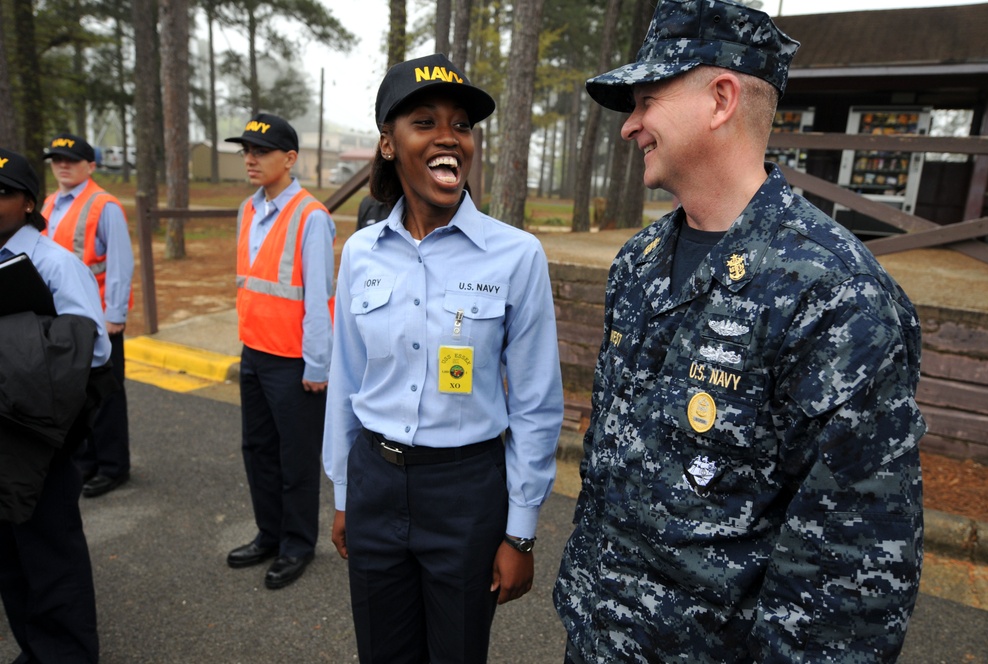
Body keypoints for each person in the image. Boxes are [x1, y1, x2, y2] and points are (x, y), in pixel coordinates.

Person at [552, 1, 926, 662]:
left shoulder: (834, 293)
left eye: (646, 101)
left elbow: (847, 581)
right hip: (596, 639)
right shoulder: (638, 263)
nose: (629, 126)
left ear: (721, 99)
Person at [323, 53, 564, 663]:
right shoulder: (361, 253)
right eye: (425, 122)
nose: (449, 137)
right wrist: (345, 492)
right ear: (388, 143)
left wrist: (520, 531)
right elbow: (347, 380)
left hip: (465, 494)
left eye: (462, 124)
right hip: (375, 482)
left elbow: (536, 403)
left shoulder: (517, 256)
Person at [0, 147, 114, 663]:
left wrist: (19, 350)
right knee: (9, 555)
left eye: (3, 193)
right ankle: (34, 647)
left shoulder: (54, 263)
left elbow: (94, 349)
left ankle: (67, 653)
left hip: (40, 434)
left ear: (28, 202)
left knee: (50, 551)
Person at [224, 113, 336, 590]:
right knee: (258, 451)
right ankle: (269, 533)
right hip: (253, 351)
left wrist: (317, 364)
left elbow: (319, 297)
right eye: (246, 151)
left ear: (290, 159)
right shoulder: (248, 209)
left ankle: (297, 545)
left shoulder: (311, 217)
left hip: (293, 362)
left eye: (261, 151)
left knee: (296, 459)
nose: (250, 159)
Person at [42, 132, 135, 498]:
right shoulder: (50, 203)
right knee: (74, 394)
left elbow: (120, 263)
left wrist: (115, 314)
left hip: (97, 319)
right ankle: (85, 461)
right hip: (61, 317)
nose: (63, 165)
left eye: (72, 160)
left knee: (106, 395)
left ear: (91, 166)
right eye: (57, 159)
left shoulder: (104, 205)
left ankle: (113, 466)